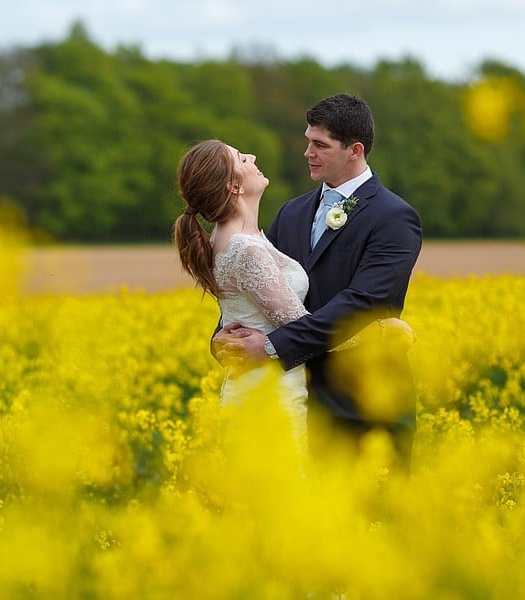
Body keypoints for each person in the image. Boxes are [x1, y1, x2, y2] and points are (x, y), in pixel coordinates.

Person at [212, 93, 422, 470]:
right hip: (293, 401)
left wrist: (272, 347)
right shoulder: (292, 212)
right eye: (308, 140)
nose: (307, 152)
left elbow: (361, 304)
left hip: (361, 406)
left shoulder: (395, 218)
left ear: (354, 150)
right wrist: (225, 336)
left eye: (320, 145)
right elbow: (258, 286)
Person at [173, 138, 413, 454]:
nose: (252, 154)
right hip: (269, 395)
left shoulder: (242, 238)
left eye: (319, 143)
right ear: (234, 186)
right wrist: (381, 331)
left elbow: (250, 310)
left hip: (275, 389)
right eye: (241, 158)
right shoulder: (247, 248)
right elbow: (302, 326)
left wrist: (227, 339)